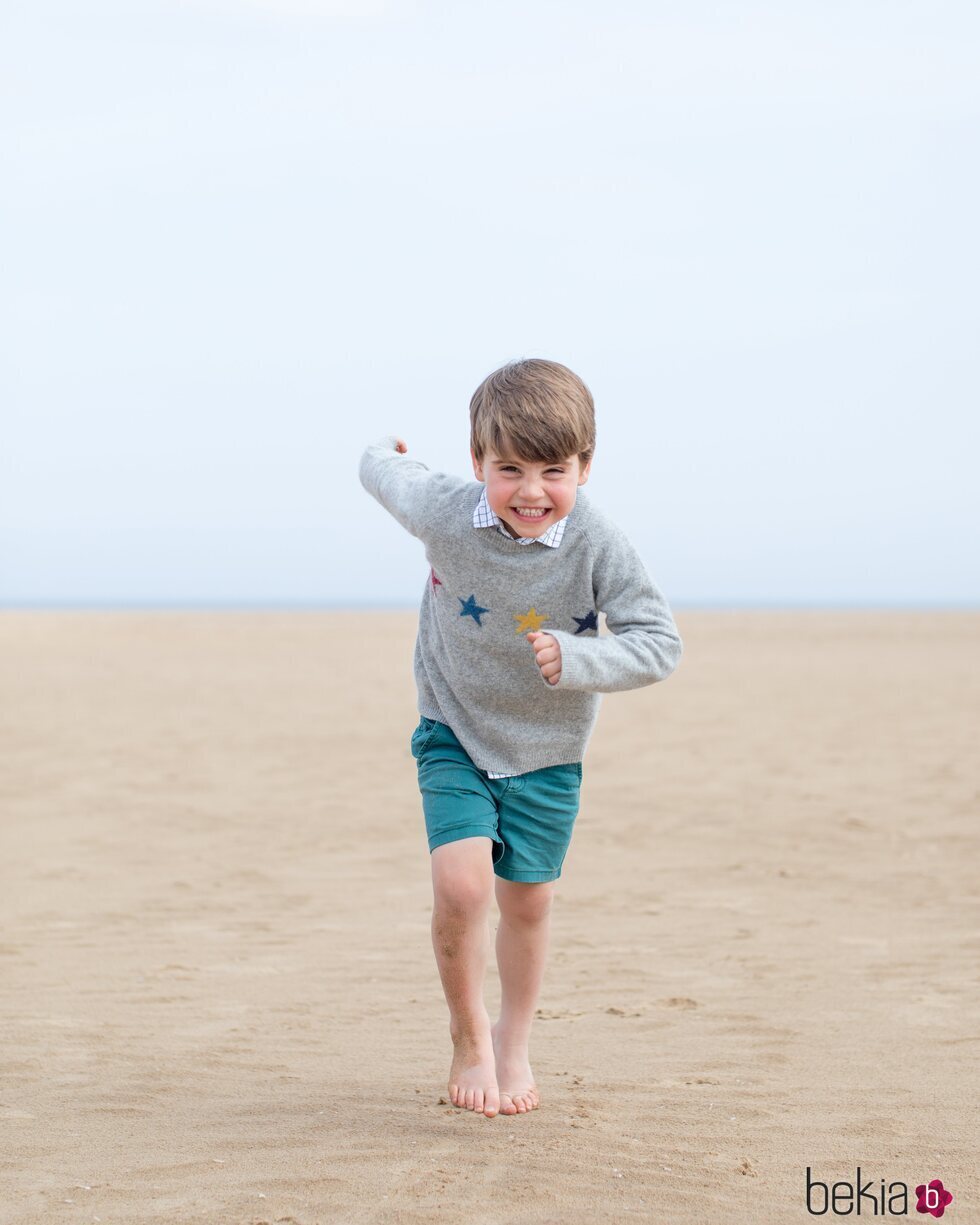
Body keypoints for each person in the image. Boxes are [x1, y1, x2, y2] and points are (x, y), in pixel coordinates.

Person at [358, 358, 683, 1119]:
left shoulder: (598, 541)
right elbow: (383, 472)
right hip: (454, 729)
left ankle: (514, 1039)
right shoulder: (445, 508)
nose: (531, 491)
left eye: (552, 471)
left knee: (528, 904)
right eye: (509, 469)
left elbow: (659, 642)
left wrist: (580, 659)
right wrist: (385, 448)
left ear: (585, 467)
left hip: (547, 750)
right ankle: (469, 1036)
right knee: (463, 886)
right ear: (478, 462)